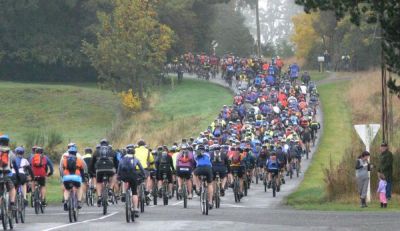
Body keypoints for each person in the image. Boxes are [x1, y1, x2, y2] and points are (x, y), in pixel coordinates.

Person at [117, 145, 144, 218]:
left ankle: (124, 193)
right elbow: (141, 169)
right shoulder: (135, 159)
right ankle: (135, 209)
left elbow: (119, 169)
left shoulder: (122, 159)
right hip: (133, 176)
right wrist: (143, 176)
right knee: (134, 192)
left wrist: (118, 176)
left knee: (124, 181)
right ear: (134, 153)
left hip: (124, 176)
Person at [90, 139, 118, 207]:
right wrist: (116, 170)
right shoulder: (112, 152)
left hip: (99, 170)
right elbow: (116, 163)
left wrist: (92, 172)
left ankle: (99, 196)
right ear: (108, 144)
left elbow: (92, 164)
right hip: (109, 170)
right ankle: (111, 189)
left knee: (98, 182)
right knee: (114, 175)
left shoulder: (96, 152)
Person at [62, 146, 85, 211]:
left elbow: (63, 169)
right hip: (76, 178)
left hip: (67, 178)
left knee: (67, 189)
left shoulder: (64, 160)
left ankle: (66, 201)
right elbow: (82, 171)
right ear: (76, 153)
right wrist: (83, 179)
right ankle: (79, 202)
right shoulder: (79, 160)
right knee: (79, 187)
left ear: (68, 153)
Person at [193, 144, 214, 209]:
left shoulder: (196, 155)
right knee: (210, 184)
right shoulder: (208, 154)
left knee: (194, 174)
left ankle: (198, 188)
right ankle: (210, 201)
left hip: (200, 168)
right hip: (208, 168)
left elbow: (195, 163)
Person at [0, 135, 17, 211]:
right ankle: (12, 203)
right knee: (12, 188)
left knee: (0, 193)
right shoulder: (10, 152)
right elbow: (14, 163)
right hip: (6, 174)